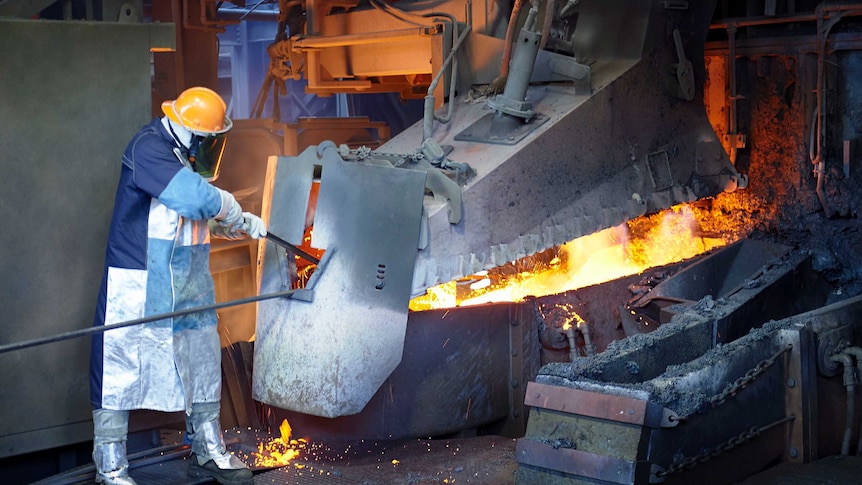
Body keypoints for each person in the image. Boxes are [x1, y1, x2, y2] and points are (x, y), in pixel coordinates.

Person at [89, 86, 265, 485]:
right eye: (208, 141)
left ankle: (208, 450)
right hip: (139, 283)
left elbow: (191, 217)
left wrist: (235, 223)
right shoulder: (147, 148)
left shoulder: (180, 156)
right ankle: (111, 470)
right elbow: (191, 199)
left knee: (201, 361)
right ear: (191, 133)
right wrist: (232, 209)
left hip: (187, 282)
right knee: (121, 371)